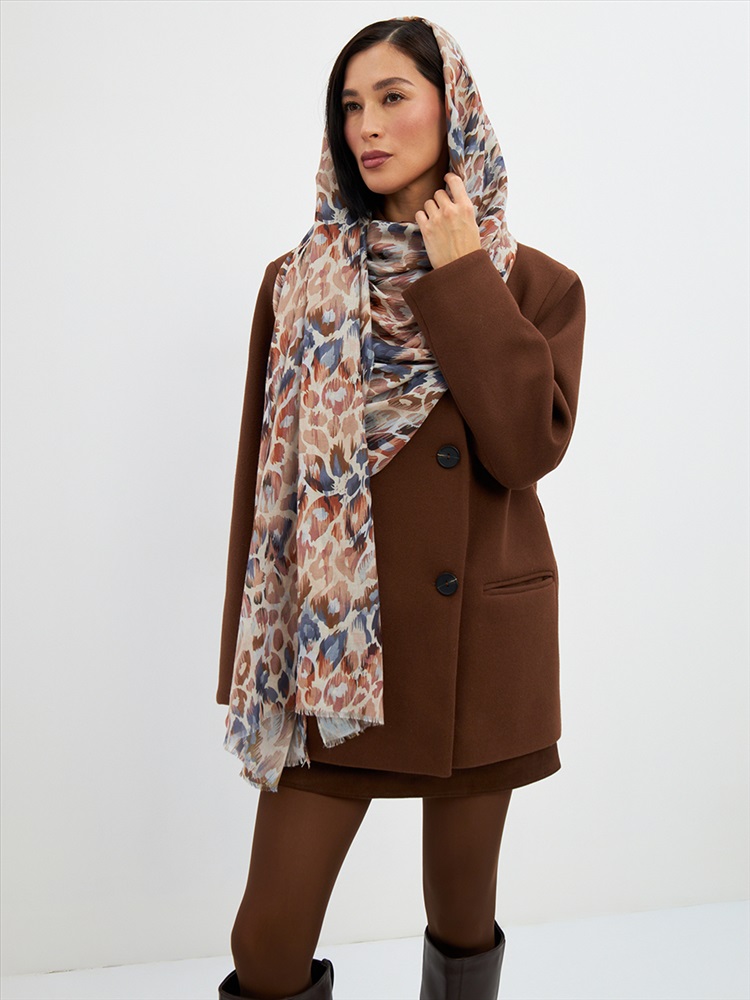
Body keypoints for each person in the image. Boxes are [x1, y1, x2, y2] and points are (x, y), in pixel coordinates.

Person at [215, 15, 586, 1000]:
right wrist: (252, 659)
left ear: (452, 109)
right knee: (267, 942)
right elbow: (263, 495)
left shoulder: (533, 284)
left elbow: (525, 449)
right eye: (350, 105)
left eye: (392, 97)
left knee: (462, 914)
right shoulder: (297, 284)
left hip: (477, 657)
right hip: (334, 661)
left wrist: (462, 276)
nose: (367, 126)